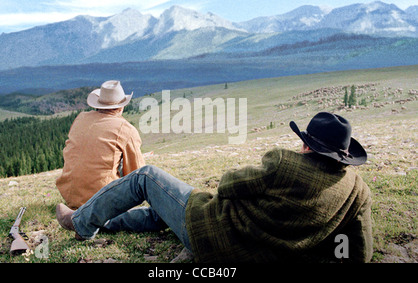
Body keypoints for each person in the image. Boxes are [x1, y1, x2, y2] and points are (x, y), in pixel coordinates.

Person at [56, 112, 373, 263]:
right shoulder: (357, 192)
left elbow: (230, 185)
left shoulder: (283, 164)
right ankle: (106, 224)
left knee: (147, 178)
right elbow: (360, 253)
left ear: (307, 146)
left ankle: (82, 224)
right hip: (258, 255)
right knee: (164, 212)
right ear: (342, 155)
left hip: (211, 232)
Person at [56, 80, 145, 209]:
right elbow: (136, 174)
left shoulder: (81, 118)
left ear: (98, 104)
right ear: (121, 107)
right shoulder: (126, 129)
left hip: (70, 197)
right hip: (101, 201)